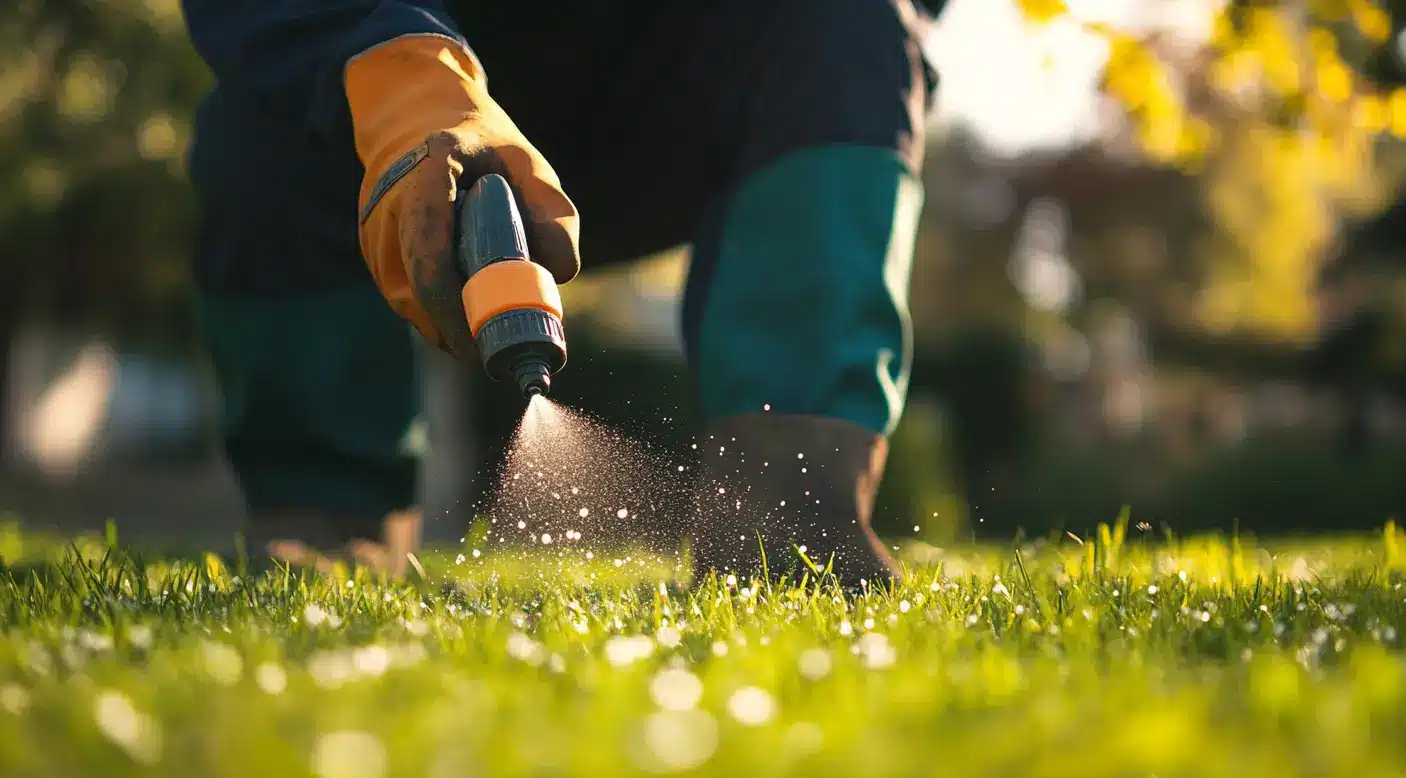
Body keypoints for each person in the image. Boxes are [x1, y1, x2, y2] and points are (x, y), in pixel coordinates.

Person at [180, 0, 943, 586]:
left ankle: (790, 516)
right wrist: (404, 73)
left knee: (851, 21)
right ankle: (326, 519)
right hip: (400, 88)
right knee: (256, 128)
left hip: (687, 90)